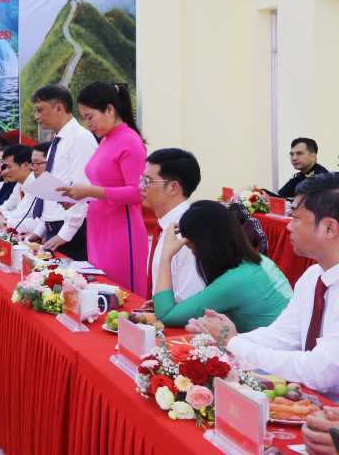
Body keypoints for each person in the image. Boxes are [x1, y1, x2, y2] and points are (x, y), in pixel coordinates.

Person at [189, 173, 339, 399]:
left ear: (329, 228)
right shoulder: (313, 276)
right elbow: (283, 336)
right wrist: (221, 338)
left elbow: (320, 372)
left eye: (295, 218)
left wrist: (234, 343)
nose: (288, 227)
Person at [152, 200, 292, 332]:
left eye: (192, 247)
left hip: (271, 347)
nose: (194, 254)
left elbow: (165, 315)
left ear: (206, 246)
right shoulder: (257, 261)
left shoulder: (235, 281)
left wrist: (166, 255)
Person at [58, 83, 143, 278]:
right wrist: (77, 197)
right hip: (99, 226)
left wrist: (89, 191)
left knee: (118, 289)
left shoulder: (129, 141)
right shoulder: (105, 140)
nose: (87, 123)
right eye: (84, 118)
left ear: (110, 109)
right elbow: (104, 186)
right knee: (100, 285)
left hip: (121, 229)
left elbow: (137, 192)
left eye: (90, 117)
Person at [27, 85, 98, 260]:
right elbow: (52, 191)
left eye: (40, 110)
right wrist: (40, 230)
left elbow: (82, 190)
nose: (36, 116)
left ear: (59, 108)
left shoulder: (80, 138)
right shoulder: (57, 141)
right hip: (54, 227)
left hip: (72, 230)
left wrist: (65, 234)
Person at [140, 148, 205, 300]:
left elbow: (189, 301)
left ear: (173, 187)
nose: (140, 186)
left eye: (147, 181)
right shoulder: (165, 226)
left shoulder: (188, 232)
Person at [0, 145, 38, 233]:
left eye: (9, 167)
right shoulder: (19, 184)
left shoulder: (35, 184)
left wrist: (2, 218)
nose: (6, 171)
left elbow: (21, 215)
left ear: (26, 165)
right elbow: (8, 205)